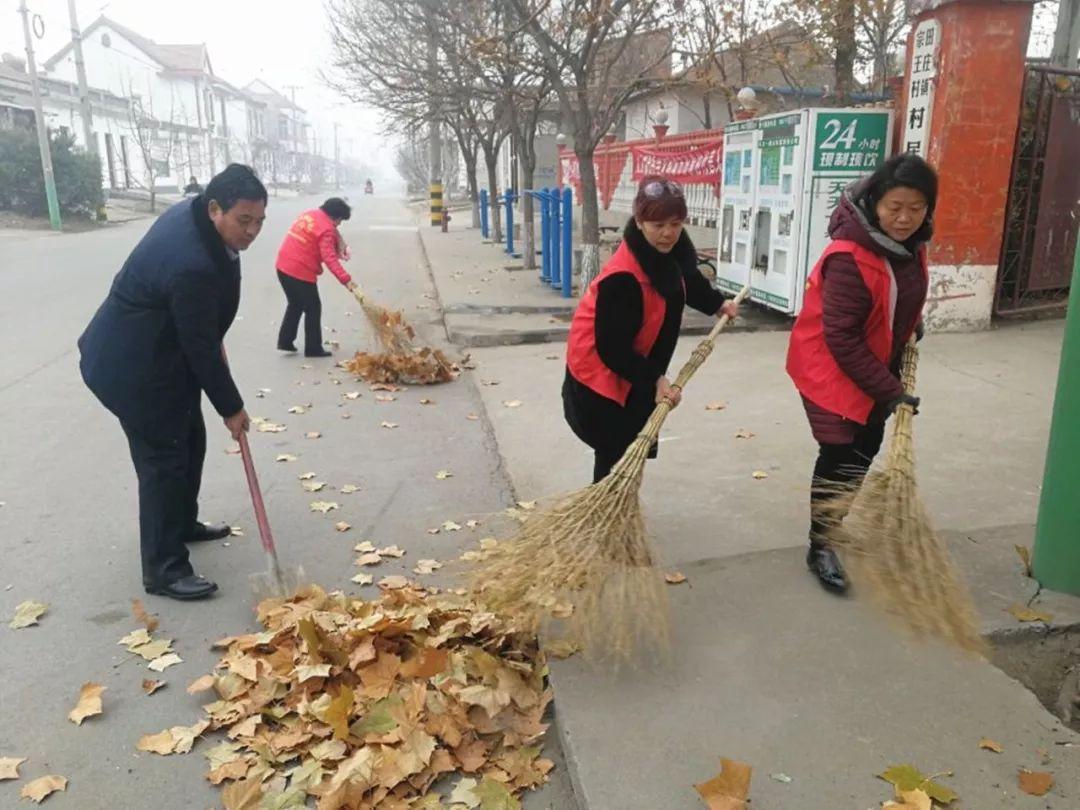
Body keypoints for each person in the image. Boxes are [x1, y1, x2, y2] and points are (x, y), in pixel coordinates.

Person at [78, 164, 267, 601]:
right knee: (164, 458)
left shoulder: (199, 217)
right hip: (133, 367)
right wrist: (232, 407)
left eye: (259, 221)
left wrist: (211, 335)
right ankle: (164, 567)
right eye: (244, 221)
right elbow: (199, 346)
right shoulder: (192, 263)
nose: (253, 231)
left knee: (191, 439)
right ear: (215, 208)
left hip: (162, 350)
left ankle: (182, 522)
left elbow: (201, 331)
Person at [786, 154, 936, 594]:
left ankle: (833, 524)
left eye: (916, 207)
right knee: (840, 455)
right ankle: (820, 545)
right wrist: (892, 393)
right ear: (874, 202)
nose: (905, 218)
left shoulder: (911, 246)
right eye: (895, 207)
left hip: (875, 364)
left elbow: (899, 292)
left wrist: (908, 324)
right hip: (831, 369)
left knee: (863, 451)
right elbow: (843, 339)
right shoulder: (849, 257)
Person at [564, 175, 740, 483]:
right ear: (640, 221)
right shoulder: (623, 279)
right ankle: (605, 510)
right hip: (600, 374)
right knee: (614, 448)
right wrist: (655, 379)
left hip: (638, 366)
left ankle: (619, 503)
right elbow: (612, 349)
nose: (668, 233)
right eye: (658, 225)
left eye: (675, 223)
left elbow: (687, 281)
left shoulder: (673, 250)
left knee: (632, 442)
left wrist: (717, 304)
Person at [275, 197, 356, 357]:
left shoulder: (311, 214)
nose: (339, 224)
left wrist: (340, 247)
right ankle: (313, 348)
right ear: (335, 217)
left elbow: (326, 238)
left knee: (295, 304)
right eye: (340, 220)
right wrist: (346, 279)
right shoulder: (327, 229)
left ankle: (285, 340)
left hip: (283, 265)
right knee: (313, 307)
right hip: (299, 270)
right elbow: (329, 258)